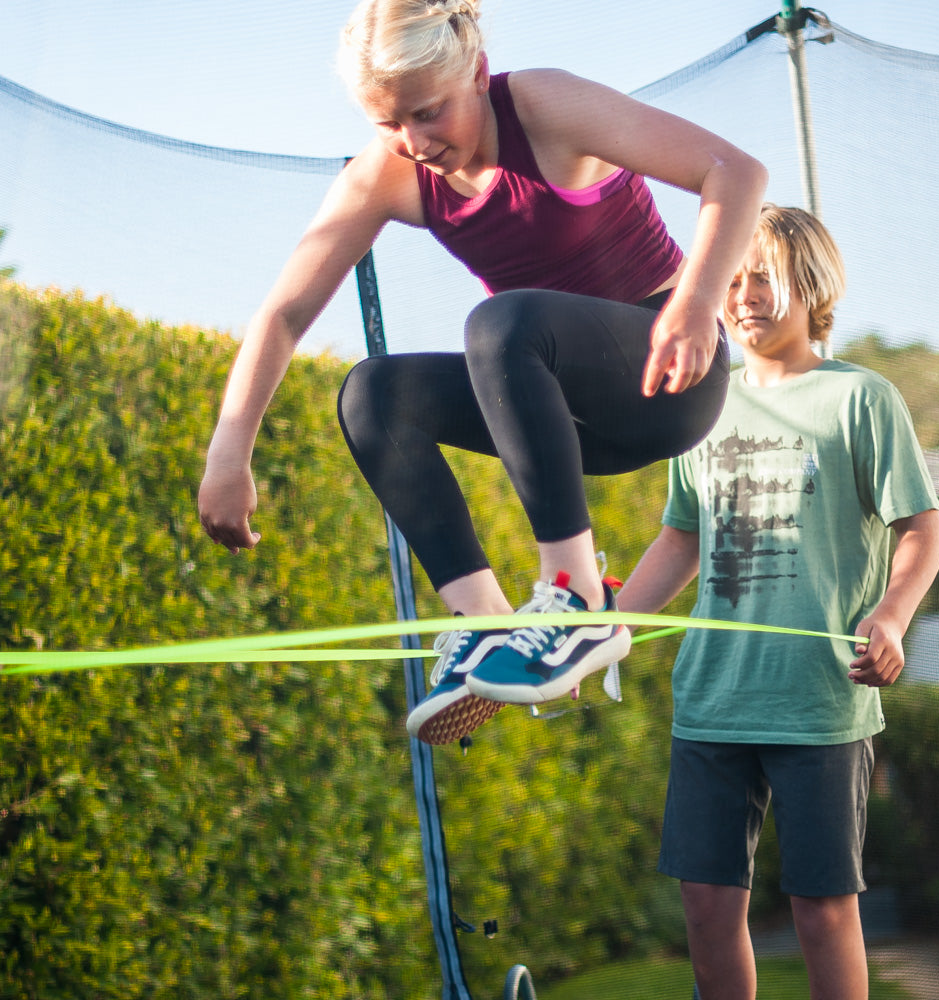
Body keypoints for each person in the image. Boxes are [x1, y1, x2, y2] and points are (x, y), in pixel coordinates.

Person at [197, 0, 768, 746]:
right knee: (373, 395)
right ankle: (485, 625)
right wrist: (228, 450)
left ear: (475, 69)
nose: (413, 141)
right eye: (388, 123)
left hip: (668, 382)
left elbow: (736, 172)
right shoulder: (391, 172)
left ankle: (575, 600)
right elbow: (284, 313)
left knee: (498, 325)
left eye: (428, 113)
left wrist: (695, 302)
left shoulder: (546, 106)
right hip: (564, 417)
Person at [618, 204, 939, 1000]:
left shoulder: (861, 399)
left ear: (812, 282)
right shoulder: (700, 403)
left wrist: (892, 616)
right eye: (730, 279)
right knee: (705, 907)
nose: (743, 294)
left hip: (820, 703)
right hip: (713, 698)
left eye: (761, 275)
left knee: (821, 912)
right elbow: (681, 539)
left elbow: (925, 528)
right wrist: (607, 625)